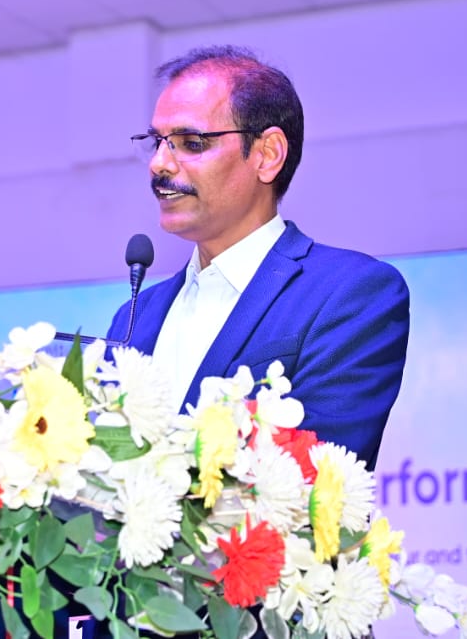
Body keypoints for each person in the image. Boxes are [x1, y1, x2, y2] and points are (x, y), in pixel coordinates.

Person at [106, 44, 408, 468]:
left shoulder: (350, 294)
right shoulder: (135, 316)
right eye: (157, 142)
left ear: (267, 155)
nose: (159, 164)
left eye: (190, 143)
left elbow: (314, 472)